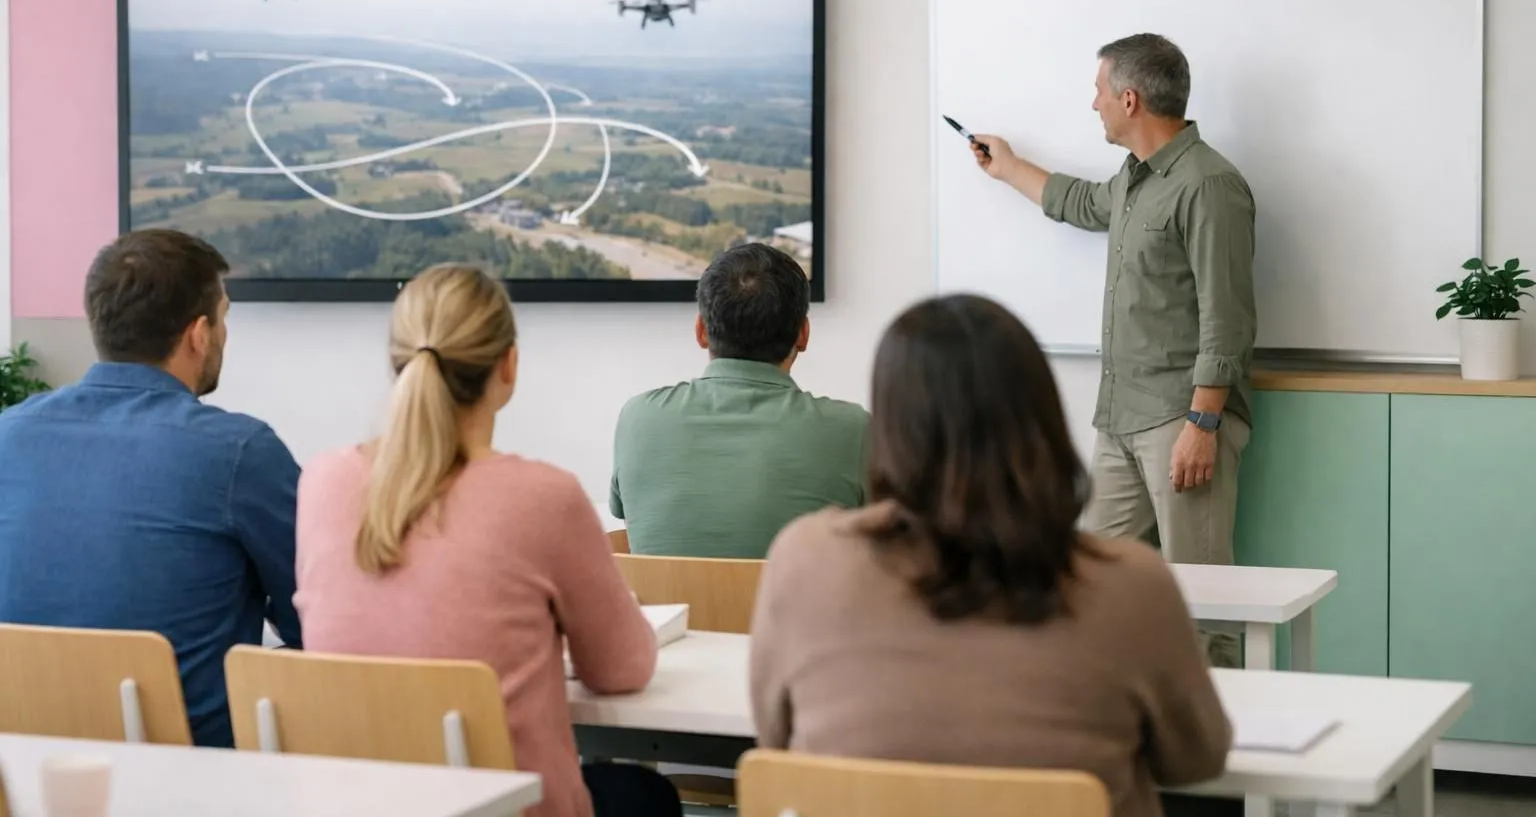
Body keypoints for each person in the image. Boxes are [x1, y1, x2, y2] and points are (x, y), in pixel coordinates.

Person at [750, 295, 1231, 817]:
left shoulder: (805, 559)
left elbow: (775, 734)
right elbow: (1196, 760)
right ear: (1042, 416)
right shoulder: (1130, 584)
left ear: (889, 426)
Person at [294, 265, 679, 817]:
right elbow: (622, 671)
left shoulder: (323, 481)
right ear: (509, 366)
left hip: (365, 806)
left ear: (396, 364)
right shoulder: (544, 496)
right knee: (647, 796)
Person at [971, 34, 1256, 666]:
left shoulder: (1210, 186)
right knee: (1087, 584)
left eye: (1099, 90)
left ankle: (1224, 748)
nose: (1092, 101)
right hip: (1121, 416)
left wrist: (1202, 423)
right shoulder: (1134, 180)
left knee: (1204, 603)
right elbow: (1078, 202)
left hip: (1182, 419)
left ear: (1129, 99)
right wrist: (1008, 165)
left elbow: (1228, 317)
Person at [0, 229, 303, 747]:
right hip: (195, 788)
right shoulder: (238, 452)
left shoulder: (8, 435)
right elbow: (320, 620)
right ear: (199, 334)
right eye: (224, 317)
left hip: (33, 782)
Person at [610, 243, 866, 559]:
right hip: (796, 610)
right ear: (803, 334)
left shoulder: (639, 419)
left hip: (679, 609)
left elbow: (623, 513)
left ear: (701, 330)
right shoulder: (853, 431)